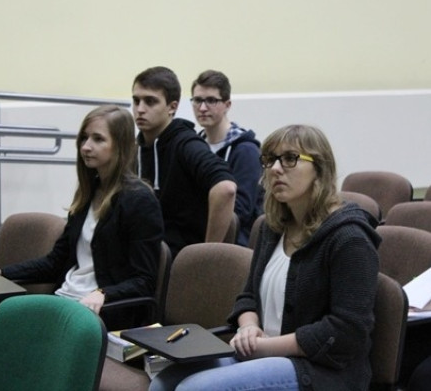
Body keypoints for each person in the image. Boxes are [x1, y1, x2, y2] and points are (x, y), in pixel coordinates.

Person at [150, 124, 380, 391]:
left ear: (320, 167)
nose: (276, 169)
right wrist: (248, 327)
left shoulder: (349, 238)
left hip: (318, 370)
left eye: (290, 158)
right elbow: (248, 295)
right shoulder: (272, 227)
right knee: (164, 382)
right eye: (270, 160)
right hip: (261, 352)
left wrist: (266, 347)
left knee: (195, 389)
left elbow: (346, 332)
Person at [0, 105, 164, 367]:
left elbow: (144, 280)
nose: (86, 147)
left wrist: (103, 293)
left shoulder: (140, 200)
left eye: (98, 139)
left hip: (101, 311)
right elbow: (55, 262)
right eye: (84, 138)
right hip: (64, 300)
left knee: (16, 332)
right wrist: (3, 274)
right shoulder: (89, 193)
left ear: (120, 146)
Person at [132, 66, 237, 258]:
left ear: (172, 107)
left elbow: (226, 188)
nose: (140, 109)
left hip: (177, 260)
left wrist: (205, 256)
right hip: (141, 256)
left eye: (150, 101)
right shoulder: (136, 148)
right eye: (136, 101)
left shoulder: (186, 144)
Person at [191, 70, 263, 246]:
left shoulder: (246, 150)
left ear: (227, 104)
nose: (202, 108)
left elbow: (240, 210)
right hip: (195, 237)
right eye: (198, 100)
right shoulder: (194, 147)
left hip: (234, 245)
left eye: (211, 100)